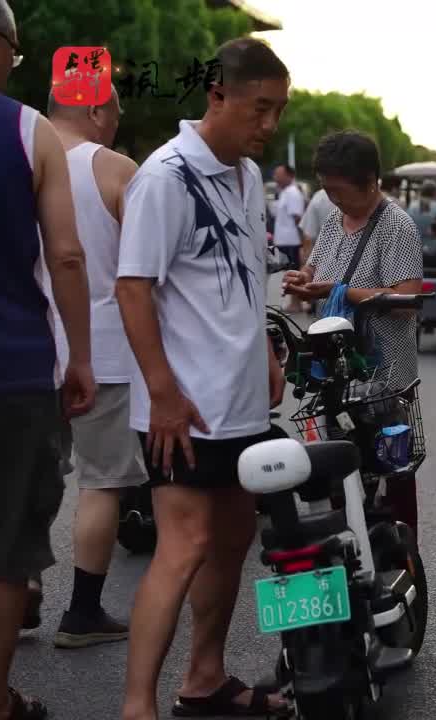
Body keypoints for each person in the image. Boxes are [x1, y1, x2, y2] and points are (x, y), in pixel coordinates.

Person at [115, 37, 291, 719]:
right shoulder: (165, 176)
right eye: (259, 108)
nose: (269, 125)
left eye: (279, 110)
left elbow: (246, 282)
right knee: (182, 546)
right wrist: (160, 392)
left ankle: (205, 677)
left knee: (233, 537)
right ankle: (137, 706)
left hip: (241, 401)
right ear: (217, 96)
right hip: (183, 407)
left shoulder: (246, 178)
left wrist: (268, 353)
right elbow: (133, 289)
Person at [0, 3, 96, 718]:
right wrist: (80, 358)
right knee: (2, 546)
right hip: (14, 371)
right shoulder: (31, 130)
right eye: (16, 51)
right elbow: (68, 253)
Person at [44, 83, 148, 650]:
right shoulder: (114, 170)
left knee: (31, 476)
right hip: (103, 351)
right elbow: (142, 267)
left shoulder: (17, 157)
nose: (115, 122)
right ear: (95, 109)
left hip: (29, 348)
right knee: (102, 483)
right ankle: (82, 611)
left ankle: (22, 590)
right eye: (114, 111)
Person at [282, 130, 424, 535]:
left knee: (392, 466)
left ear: (370, 181)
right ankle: (349, 542)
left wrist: (338, 292)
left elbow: (407, 298)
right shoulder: (333, 220)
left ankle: (401, 546)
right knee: (339, 465)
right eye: (326, 189)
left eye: (338, 189)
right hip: (335, 370)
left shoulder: (396, 226)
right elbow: (318, 266)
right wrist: (304, 277)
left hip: (383, 378)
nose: (332, 198)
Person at [272, 163, 304, 310]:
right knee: (288, 272)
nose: (275, 177)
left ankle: (296, 303)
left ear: (289, 175)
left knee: (294, 272)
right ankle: (293, 301)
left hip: (292, 240)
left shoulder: (292, 193)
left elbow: (298, 218)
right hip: (284, 240)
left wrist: (302, 242)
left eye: (279, 174)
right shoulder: (284, 192)